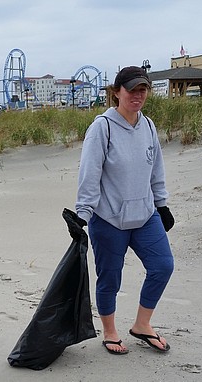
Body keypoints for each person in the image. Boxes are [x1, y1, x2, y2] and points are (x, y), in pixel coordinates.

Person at [75, 66, 175, 355]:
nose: (137, 95)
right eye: (131, 89)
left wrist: (162, 204)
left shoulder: (148, 126)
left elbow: (156, 169)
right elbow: (90, 174)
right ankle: (109, 331)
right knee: (110, 277)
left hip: (145, 215)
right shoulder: (102, 128)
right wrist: (83, 214)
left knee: (163, 266)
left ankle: (142, 325)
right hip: (108, 219)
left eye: (142, 89)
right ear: (116, 92)